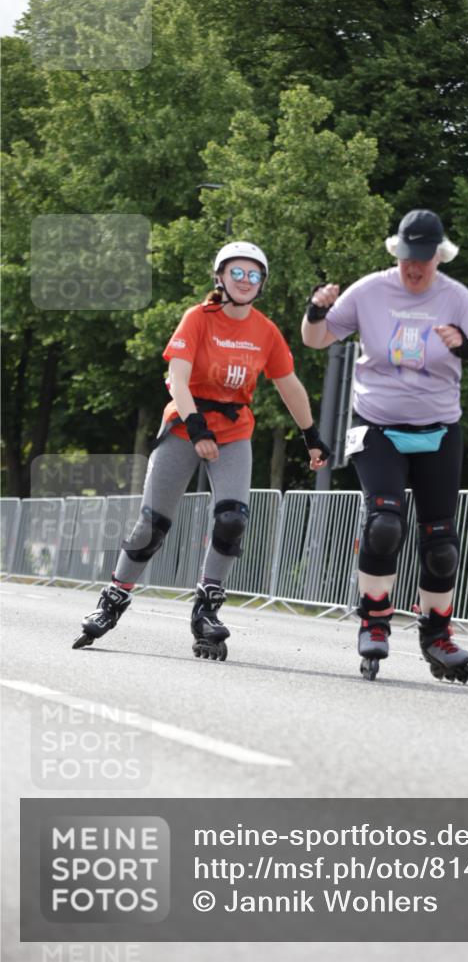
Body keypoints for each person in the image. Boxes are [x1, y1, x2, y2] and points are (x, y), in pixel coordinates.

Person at [73, 240, 330, 658]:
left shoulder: (264, 331)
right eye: (237, 273)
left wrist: (311, 435)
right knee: (152, 523)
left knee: (232, 519)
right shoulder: (198, 318)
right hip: (183, 425)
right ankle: (113, 599)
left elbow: (289, 385)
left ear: (262, 283)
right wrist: (196, 429)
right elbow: (177, 378)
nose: (245, 281)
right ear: (220, 277)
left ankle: (206, 609)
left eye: (253, 275)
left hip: (233, 430)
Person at [301, 209, 468, 683]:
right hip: (378, 426)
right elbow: (315, 339)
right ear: (398, 253)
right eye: (408, 260)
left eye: (424, 262)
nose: (415, 270)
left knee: (441, 547)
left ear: (439, 257)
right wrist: (315, 309)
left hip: (438, 431)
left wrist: (467, 348)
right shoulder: (371, 290)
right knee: (385, 524)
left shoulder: (455, 298)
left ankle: (437, 636)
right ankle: (374, 620)